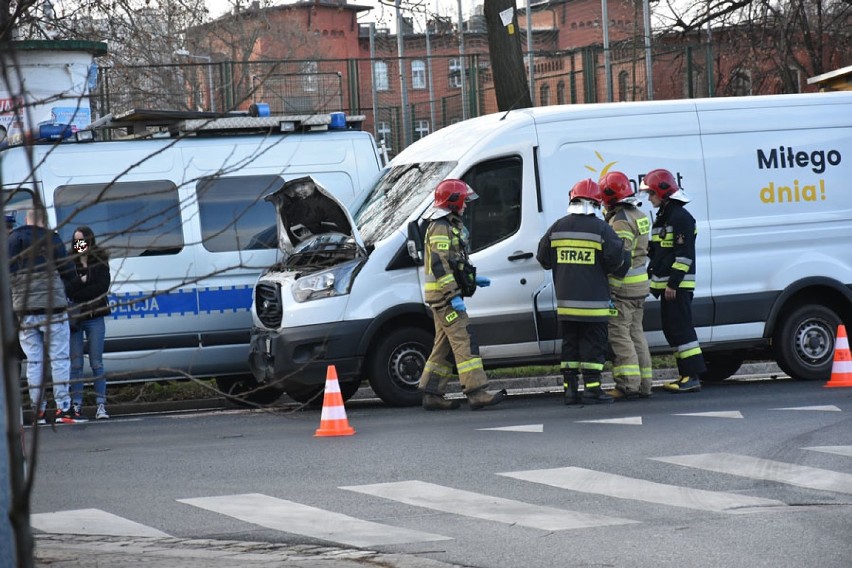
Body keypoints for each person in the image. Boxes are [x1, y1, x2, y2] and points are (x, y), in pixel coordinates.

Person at [537, 179, 630, 405]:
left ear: (572, 198)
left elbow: (543, 258)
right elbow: (618, 262)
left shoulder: (557, 227)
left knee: (570, 345)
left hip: (566, 304)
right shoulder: (602, 228)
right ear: (597, 202)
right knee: (593, 346)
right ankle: (593, 390)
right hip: (594, 304)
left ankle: (570, 391)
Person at [418, 178, 506, 410]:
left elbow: (454, 262)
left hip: (443, 297)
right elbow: (439, 264)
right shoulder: (440, 226)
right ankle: (477, 392)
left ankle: (432, 394)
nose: (466, 205)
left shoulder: (448, 224)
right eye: (464, 201)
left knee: (445, 345)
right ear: (453, 202)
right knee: (465, 340)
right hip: (445, 299)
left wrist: (471, 280)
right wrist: (453, 295)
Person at [8, 208, 82, 424]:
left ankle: (38, 411)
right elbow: (68, 271)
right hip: (53, 309)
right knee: (59, 359)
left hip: (24, 311)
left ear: (26, 220)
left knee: (34, 361)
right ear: (45, 221)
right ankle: (63, 409)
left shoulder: (13, 240)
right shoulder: (53, 239)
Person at [640, 168, 706, 393]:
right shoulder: (666, 216)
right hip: (668, 285)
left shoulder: (681, 218)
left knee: (682, 330)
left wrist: (673, 284)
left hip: (676, 286)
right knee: (673, 329)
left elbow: (684, 254)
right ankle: (685, 374)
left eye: (651, 194)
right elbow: (662, 251)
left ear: (662, 192)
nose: (649, 199)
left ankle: (692, 376)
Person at [600, 171, 654, 400]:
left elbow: (620, 258)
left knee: (620, 335)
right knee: (636, 334)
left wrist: (610, 288)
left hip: (624, 287)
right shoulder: (638, 213)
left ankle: (628, 385)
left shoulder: (620, 220)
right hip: (640, 284)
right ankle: (645, 385)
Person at [67, 226, 112, 420]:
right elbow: (68, 290)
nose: (79, 244)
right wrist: (83, 282)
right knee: (76, 365)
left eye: (82, 240)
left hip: (95, 317)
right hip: (76, 320)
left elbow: (102, 288)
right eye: (76, 240)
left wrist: (81, 288)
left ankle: (101, 405)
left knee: (96, 363)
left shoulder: (100, 261)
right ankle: (76, 405)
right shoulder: (69, 263)